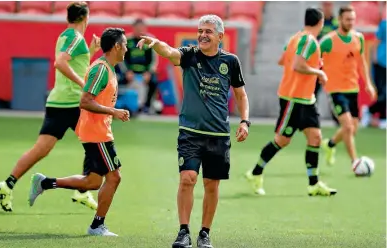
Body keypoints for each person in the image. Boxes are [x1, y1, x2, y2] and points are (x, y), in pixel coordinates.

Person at [137, 15, 250, 248]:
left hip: (218, 134)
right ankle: (183, 231)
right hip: (190, 131)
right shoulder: (189, 55)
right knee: (188, 178)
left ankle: (205, 233)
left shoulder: (230, 61)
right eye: (200, 30)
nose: (202, 35)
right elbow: (169, 52)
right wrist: (155, 43)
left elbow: (241, 95)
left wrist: (245, 121)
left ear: (220, 36)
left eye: (208, 31)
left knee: (211, 184)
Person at [0, 1, 99, 212]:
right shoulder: (75, 37)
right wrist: (83, 84)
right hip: (72, 103)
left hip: (58, 102)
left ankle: (8, 184)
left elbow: (74, 64)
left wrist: (91, 51)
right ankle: (82, 191)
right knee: (96, 142)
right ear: (85, 18)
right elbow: (60, 63)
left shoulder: (67, 36)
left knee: (42, 149)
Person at [28, 27, 130, 236]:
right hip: (97, 133)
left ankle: (44, 182)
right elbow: (85, 101)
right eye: (125, 44)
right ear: (117, 46)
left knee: (93, 181)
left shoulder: (108, 69)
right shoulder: (101, 69)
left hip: (97, 131)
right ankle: (96, 226)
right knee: (114, 178)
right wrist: (114, 111)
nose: (127, 49)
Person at [246, 8, 337, 197]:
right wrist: (318, 71)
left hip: (306, 98)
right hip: (293, 98)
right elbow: (297, 64)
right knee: (282, 140)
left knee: (315, 138)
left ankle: (313, 183)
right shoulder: (308, 41)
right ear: (320, 23)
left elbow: (283, 61)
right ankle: (255, 173)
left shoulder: (295, 38)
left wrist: (306, 67)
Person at [320, 6, 377, 166]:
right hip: (335, 89)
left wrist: (368, 84)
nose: (351, 22)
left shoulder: (358, 38)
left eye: (353, 19)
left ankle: (330, 144)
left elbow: (362, 63)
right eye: (347, 19)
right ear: (339, 20)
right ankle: (355, 162)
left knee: (353, 128)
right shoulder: (328, 41)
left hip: (353, 89)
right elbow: (314, 57)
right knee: (347, 126)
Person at [121, 18, 158, 113]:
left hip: (145, 73)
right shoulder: (127, 40)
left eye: (142, 28)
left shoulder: (150, 40)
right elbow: (121, 58)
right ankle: (122, 105)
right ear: (133, 28)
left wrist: (149, 73)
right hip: (130, 72)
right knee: (117, 80)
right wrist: (127, 72)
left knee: (154, 81)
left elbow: (154, 60)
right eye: (137, 28)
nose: (140, 31)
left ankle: (147, 106)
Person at [314, 1, 339, 125]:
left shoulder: (336, 23)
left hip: (331, 64)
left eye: (328, 4)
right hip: (317, 64)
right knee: (313, 92)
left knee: (334, 92)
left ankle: (338, 117)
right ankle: (312, 117)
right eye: (324, 4)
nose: (326, 7)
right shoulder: (316, 21)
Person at [361, 8, 386, 129]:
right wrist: (375, 60)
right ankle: (369, 111)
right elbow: (375, 42)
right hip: (381, 63)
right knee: (383, 93)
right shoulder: (384, 24)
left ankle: (381, 118)